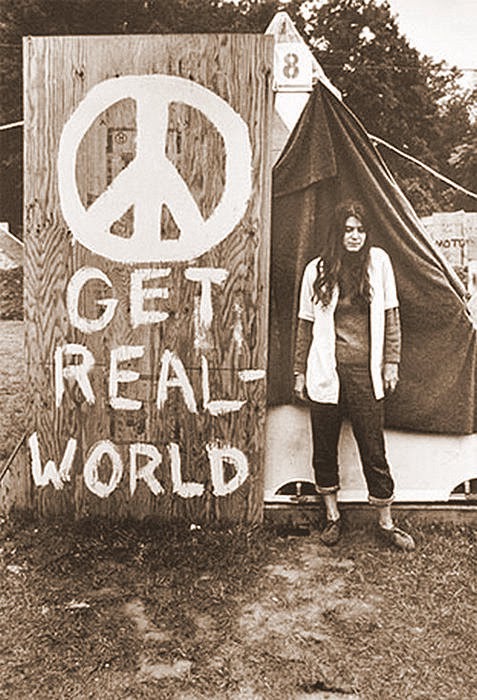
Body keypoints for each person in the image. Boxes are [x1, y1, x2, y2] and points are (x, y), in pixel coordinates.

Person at [293, 200, 415, 551]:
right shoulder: (317, 270)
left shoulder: (379, 263)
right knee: (324, 447)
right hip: (325, 370)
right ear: (338, 232)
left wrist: (391, 362)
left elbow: (391, 317)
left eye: (360, 230)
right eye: (348, 230)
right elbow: (305, 324)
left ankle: (386, 522)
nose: (355, 236)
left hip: (365, 373)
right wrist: (299, 371)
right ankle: (333, 517)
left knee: (373, 449)